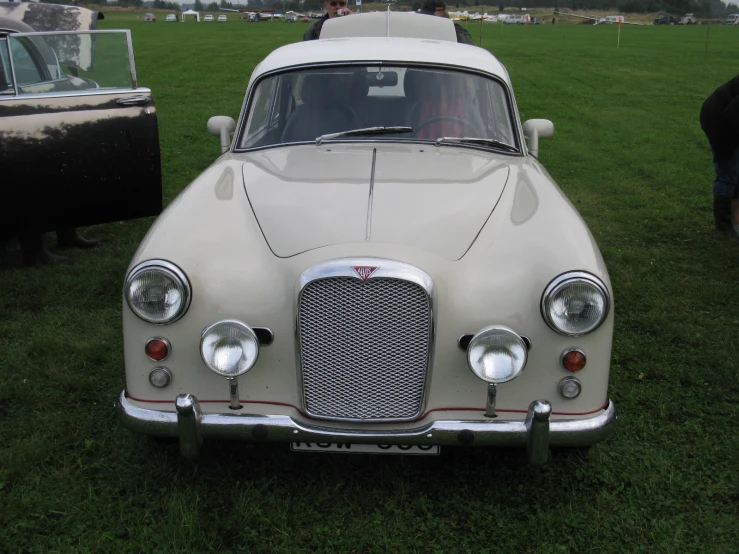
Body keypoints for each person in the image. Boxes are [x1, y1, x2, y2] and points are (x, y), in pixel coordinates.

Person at [700, 74, 739, 238]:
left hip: (731, 117)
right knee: (728, 171)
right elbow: (733, 112)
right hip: (719, 118)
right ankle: (724, 224)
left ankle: (736, 221)